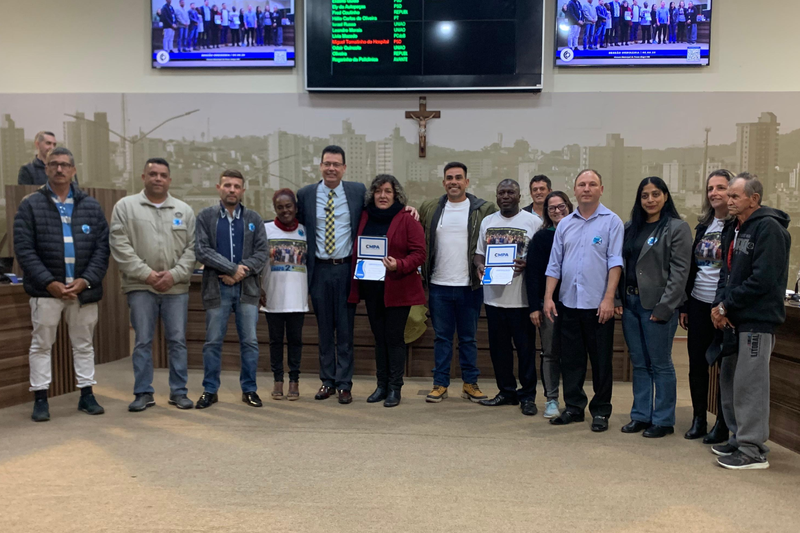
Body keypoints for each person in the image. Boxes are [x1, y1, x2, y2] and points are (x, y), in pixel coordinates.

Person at [14, 147, 109, 422]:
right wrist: (49, 282)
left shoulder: (90, 205)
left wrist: (86, 280)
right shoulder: (30, 204)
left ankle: (87, 395)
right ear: (46, 169)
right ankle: (41, 398)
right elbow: (24, 249)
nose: (59, 169)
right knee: (41, 344)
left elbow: (102, 249)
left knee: (84, 345)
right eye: (54, 164)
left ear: (73, 170)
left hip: (83, 291)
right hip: (46, 291)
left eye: (65, 165)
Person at [711, 174, 790, 470]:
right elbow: (726, 272)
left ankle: (753, 449)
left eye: (734, 196)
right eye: (728, 195)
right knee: (730, 380)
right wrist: (720, 305)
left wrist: (726, 305)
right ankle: (738, 437)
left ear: (753, 199)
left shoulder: (769, 229)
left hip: (757, 320)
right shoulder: (734, 228)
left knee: (750, 384)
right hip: (734, 319)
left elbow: (763, 280)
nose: (727, 200)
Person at [110, 158, 196, 412]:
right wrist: (147, 274)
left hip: (176, 288)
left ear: (169, 180)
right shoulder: (126, 207)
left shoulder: (184, 210)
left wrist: (174, 275)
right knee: (142, 341)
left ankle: (179, 392)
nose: (158, 178)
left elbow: (193, 249)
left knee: (178, 341)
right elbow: (119, 245)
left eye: (163, 175)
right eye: (153, 174)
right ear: (143, 177)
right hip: (140, 287)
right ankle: (143, 392)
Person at [544, 169, 623, 432]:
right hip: (568, 303)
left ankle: (601, 411)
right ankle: (574, 407)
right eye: (581, 184)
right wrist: (548, 298)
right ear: (575, 190)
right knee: (572, 360)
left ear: (601, 189)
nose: (586, 188)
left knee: (601, 362)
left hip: (598, 305)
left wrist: (609, 298)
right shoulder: (565, 224)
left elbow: (615, 262)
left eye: (592, 184)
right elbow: (555, 264)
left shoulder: (612, 222)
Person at [620, 177, 692, 438]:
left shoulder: (676, 227)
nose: (650, 200)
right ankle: (641, 415)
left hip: (658, 306)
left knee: (660, 364)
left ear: (665, 196)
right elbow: (622, 265)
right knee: (639, 364)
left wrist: (666, 306)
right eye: (644, 196)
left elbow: (680, 272)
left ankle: (663, 419)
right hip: (630, 304)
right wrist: (619, 300)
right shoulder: (630, 227)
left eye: (655, 194)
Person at [419, 162, 497, 403]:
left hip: (469, 286)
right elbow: (419, 237)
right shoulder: (430, 208)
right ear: (444, 182)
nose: (454, 182)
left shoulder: (483, 209)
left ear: (467, 182)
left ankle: (469, 384)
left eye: (458, 178)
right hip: (439, 285)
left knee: (468, 339)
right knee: (442, 338)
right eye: (449, 178)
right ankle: (440, 384)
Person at [348, 175, 426, 408]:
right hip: (372, 288)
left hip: (397, 288)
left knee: (394, 339)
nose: (383, 195)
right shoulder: (364, 217)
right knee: (379, 338)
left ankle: (395, 388)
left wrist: (399, 265)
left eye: (388, 191)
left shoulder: (407, 218)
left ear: (396, 195)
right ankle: (381, 385)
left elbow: (420, 253)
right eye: (378, 191)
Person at [194, 169, 268, 409]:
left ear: (243, 190)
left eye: (237, 186)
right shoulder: (205, 217)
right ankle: (210, 390)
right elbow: (202, 250)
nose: (232, 190)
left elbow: (262, 253)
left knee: (250, 342)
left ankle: (249, 390)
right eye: (227, 185)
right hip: (217, 289)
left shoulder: (254, 219)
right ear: (219, 188)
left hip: (247, 291)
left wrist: (239, 273)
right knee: (213, 342)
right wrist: (231, 268)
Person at [474, 180, 542, 415]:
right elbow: (479, 254)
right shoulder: (488, 222)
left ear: (519, 196)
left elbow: (542, 259)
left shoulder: (533, 222)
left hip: (521, 300)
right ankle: (506, 392)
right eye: (501, 192)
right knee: (499, 350)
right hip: (494, 299)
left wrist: (529, 264)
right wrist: (480, 266)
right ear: (496, 195)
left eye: (510, 192)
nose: (505, 196)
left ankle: (528, 396)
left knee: (525, 351)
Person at [679, 169, 734, 442]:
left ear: (733, 191)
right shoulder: (704, 225)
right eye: (710, 188)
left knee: (725, 367)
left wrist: (724, 304)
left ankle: (722, 423)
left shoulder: (739, 227)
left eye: (720, 187)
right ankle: (699, 418)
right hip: (699, 303)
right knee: (697, 364)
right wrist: (686, 304)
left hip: (724, 307)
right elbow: (693, 268)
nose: (714, 193)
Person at [527, 191, 574, 419]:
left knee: (574, 354)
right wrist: (535, 306)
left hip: (577, 303)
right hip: (549, 304)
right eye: (552, 208)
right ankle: (552, 399)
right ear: (546, 212)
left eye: (561, 206)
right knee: (550, 353)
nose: (557, 211)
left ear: (569, 206)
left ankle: (574, 401)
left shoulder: (579, 232)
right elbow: (533, 275)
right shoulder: (542, 238)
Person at [261, 189, 308, 401]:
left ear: (295, 207)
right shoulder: (265, 230)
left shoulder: (305, 231)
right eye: (280, 207)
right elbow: (256, 260)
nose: (285, 210)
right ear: (275, 209)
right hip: (272, 295)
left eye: (288, 206)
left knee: (296, 340)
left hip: (297, 297)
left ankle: (294, 380)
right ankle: (278, 379)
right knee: (276, 341)